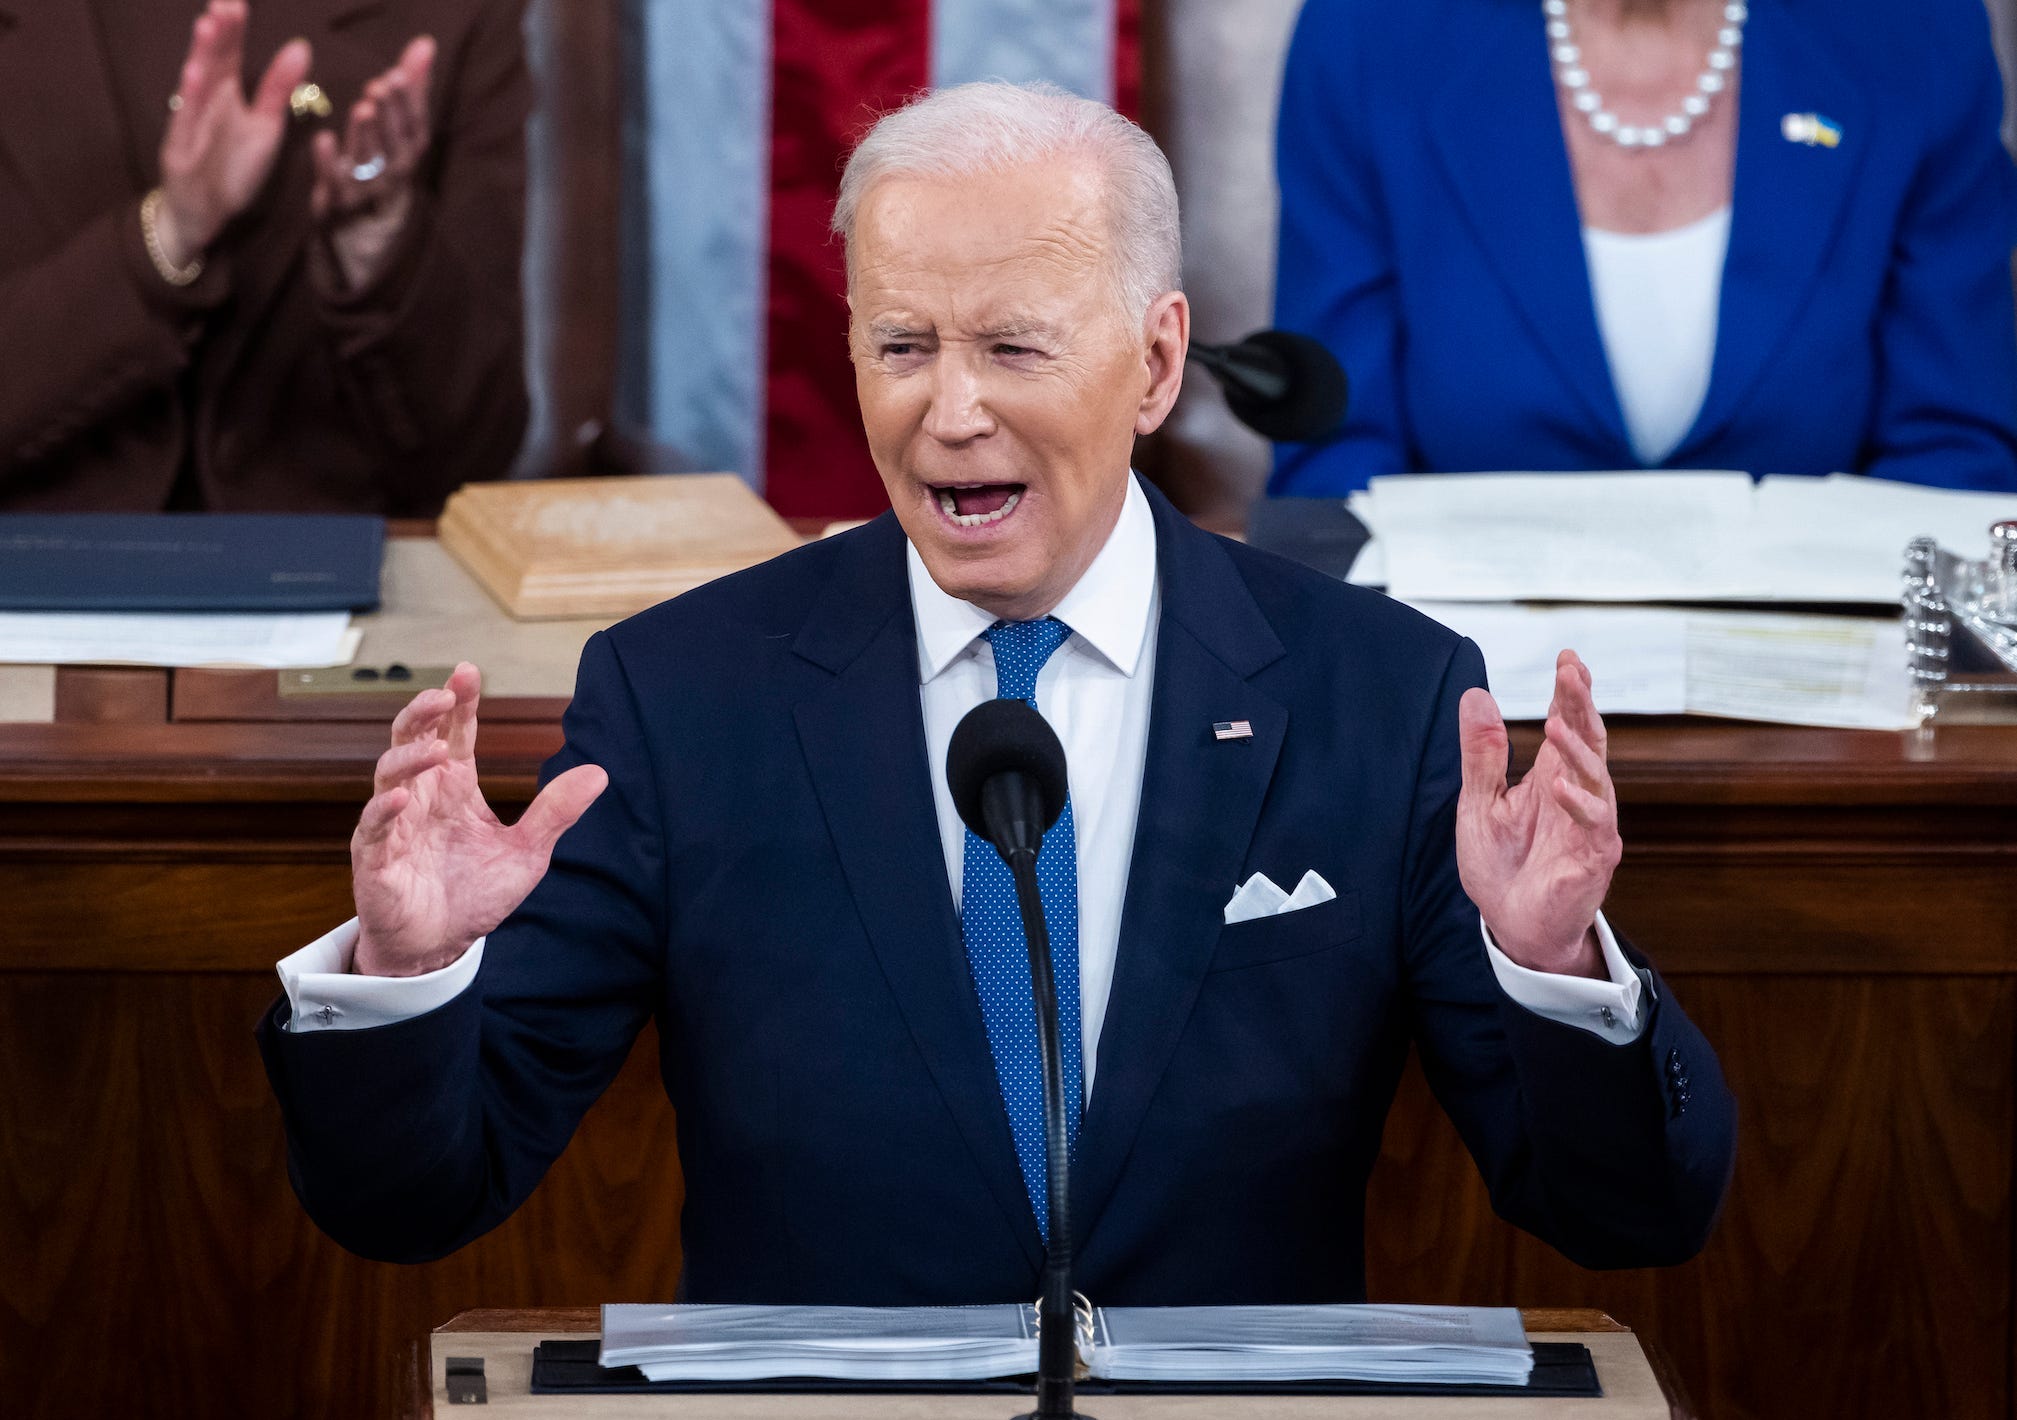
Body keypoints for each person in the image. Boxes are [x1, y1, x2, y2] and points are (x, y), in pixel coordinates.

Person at [258, 82, 1734, 1306]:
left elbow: (1626, 1217)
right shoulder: (681, 695)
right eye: (900, 346)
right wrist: (407, 976)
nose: (947, 412)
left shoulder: (1381, 693)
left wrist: (1550, 966)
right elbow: (415, 1202)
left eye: (1013, 346)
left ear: (1155, 362)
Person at [1270, 0, 2017, 497]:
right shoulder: (1366, 33)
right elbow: (1333, 460)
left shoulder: (1914, 31)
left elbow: (1951, 450)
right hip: (1466, 688)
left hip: (1833, 697)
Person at [0, 0, 528, 514]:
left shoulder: (457, 14)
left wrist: (375, 242)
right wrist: (167, 235)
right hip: (31, 565)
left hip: (348, 565)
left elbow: (476, 451)